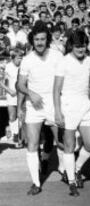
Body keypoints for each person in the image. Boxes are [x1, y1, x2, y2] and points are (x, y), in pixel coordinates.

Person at [17, 21, 64, 195]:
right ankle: (36, 183)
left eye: (43, 39)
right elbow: (20, 84)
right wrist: (30, 93)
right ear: (32, 40)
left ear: (48, 39)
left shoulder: (57, 55)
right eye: (36, 39)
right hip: (34, 105)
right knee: (32, 144)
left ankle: (68, 171)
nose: (39, 42)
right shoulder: (27, 59)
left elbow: (64, 79)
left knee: (63, 141)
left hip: (54, 103)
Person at [53, 30, 90, 197]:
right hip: (67, 105)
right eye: (78, 46)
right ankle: (72, 181)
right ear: (71, 46)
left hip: (85, 104)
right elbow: (56, 89)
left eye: (83, 46)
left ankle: (75, 169)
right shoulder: (63, 62)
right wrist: (57, 112)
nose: (81, 49)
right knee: (69, 146)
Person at [0, 48, 23, 146]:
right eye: (18, 58)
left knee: (21, 116)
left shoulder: (24, 67)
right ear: (13, 58)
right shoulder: (8, 67)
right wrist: (9, 91)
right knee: (12, 116)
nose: (20, 60)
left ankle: (20, 137)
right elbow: (1, 82)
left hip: (22, 95)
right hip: (11, 95)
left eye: (21, 58)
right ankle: (15, 134)